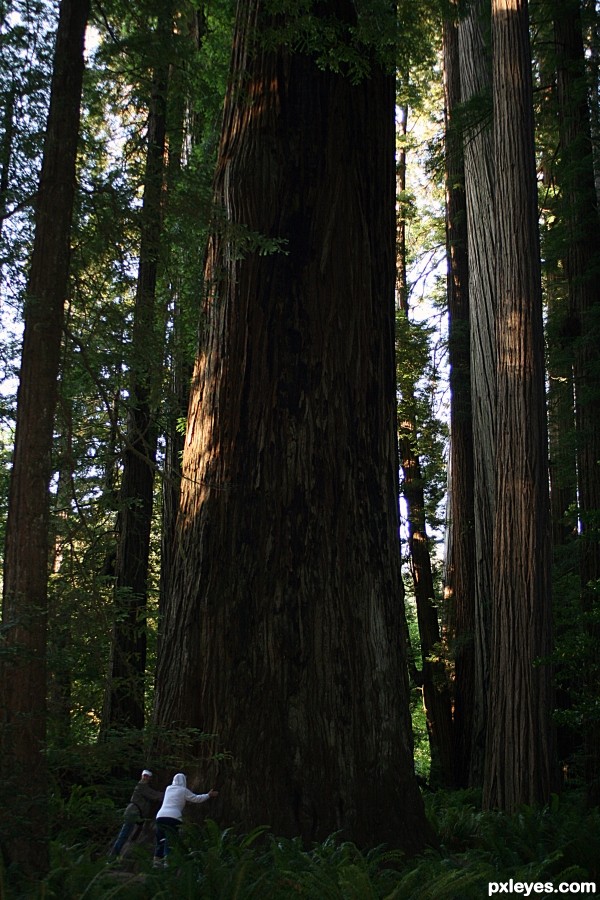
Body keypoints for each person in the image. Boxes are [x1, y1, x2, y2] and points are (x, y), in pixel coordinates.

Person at [154, 772, 218, 867]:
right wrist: (208, 795)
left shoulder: (168, 789)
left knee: (160, 839)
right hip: (174, 817)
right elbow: (196, 798)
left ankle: (156, 863)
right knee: (170, 839)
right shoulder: (183, 790)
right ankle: (167, 863)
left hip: (160, 816)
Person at [108, 769, 163, 859]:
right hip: (133, 812)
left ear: (149, 778)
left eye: (147, 776)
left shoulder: (144, 786)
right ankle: (113, 856)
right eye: (144, 776)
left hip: (137, 814)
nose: (145, 777)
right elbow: (154, 795)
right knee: (124, 834)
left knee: (130, 834)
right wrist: (169, 793)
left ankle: (118, 855)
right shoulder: (141, 786)